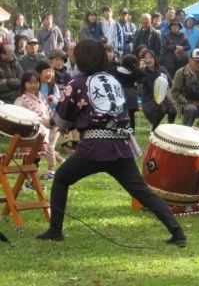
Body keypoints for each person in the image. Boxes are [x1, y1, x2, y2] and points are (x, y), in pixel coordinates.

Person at [35, 39, 186, 245]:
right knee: (141, 191)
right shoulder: (113, 80)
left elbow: (63, 121)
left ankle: (55, 230)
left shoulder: (77, 84)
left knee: (61, 178)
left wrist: (46, 121)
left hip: (94, 147)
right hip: (120, 146)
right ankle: (178, 232)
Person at [14, 71, 54, 180]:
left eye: (36, 82)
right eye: (30, 83)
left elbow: (46, 112)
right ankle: (29, 180)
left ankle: (39, 176)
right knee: (29, 158)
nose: (33, 85)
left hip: (42, 132)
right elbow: (17, 116)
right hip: (28, 135)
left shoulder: (40, 97)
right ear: (24, 84)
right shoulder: (21, 100)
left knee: (37, 157)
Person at [139, 49, 177, 130]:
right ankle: (155, 130)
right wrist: (141, 69)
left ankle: (170, 129)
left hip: (162, 97)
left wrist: (165, 79)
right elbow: (139, 83)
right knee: (161, 110)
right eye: (146, 58)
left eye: (151, 57)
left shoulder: (162, 69)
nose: (149, 60)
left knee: (173, 111)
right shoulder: (143, 72)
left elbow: (170, 83)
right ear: (143, 60)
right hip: (149, 99)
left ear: (154, 58)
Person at [111, 54, 144, 132]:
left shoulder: (115, 70)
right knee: (131, 115)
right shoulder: (135, 72)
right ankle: (131, 132)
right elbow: (143, 74)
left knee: (119, 113)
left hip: (119, 92)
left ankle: (118, 130)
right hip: (131, 93)